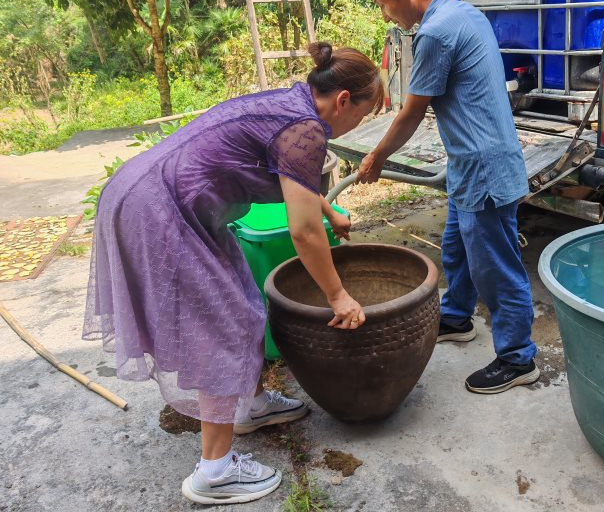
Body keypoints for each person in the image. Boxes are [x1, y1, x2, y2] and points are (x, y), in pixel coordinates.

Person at [83, 43, 382, 505]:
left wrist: (329, 209)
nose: (357, 125)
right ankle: (215, 471)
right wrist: (338, 295)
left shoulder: (292, 104)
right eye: (363, 114)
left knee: (242, 299)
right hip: (159, 210)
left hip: (153, 194)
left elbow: (292, 180)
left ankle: (249, 404)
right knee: (219, 326)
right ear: (343, 99)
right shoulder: (306, 127)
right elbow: (304, 233)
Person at [359, 0, 539, 395]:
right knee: (457, 248)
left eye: (384, 4)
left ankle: (519, 359)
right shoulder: (464, 13)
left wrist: (376, 157)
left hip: (484, 167)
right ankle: (457, 318)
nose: (386, 14)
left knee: (496, 268)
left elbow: (411, 113)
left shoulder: (435, 33)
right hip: (470, 163)